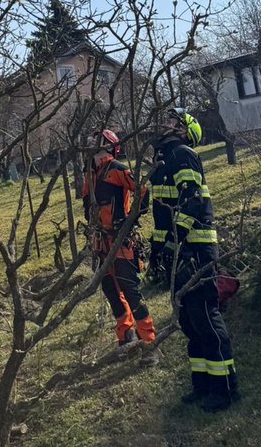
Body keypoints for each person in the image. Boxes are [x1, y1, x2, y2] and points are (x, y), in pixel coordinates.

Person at [149, 108, 239, 412]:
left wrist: (176, 241)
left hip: (196, 252)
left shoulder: (183, 154)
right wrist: (157, 252)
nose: (164, 123)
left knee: (206, 318)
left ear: (185, 131)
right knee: (189, 322)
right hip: (177, 255)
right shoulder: (163, 162)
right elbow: (162, 216)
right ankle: (202, 385)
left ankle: (225, 388)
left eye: (172, 120)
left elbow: (193, 201)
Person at [83, 129, 159, 362]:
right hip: (100, 242)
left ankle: (150, 344)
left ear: (108, 145)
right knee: (111, 292)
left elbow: (142, 190)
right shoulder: (90, 174)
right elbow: (88, 205)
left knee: (131, 291)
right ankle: (126, 338)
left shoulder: (116, 168)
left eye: (96, 139)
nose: (90, 141)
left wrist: (130, 220)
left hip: (121, 239)